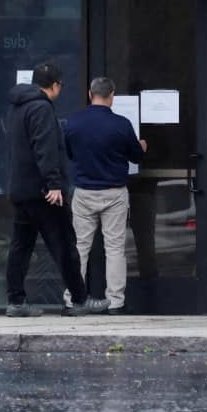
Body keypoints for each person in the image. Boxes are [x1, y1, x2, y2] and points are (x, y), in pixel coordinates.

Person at [3, 62, 108, 318]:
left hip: (21, 189)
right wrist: (53, 183)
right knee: (64, 245)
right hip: (44, 192)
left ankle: (16, 301)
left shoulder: (17, 108)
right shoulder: (41, 108)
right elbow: (45, 147)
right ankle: (80, 300)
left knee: (20, 247)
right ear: (55, 85)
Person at [63, 76, 146, 315]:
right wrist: (141, 147)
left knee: (79, 248)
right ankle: (116, 302)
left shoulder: (74, 122)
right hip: (114, 192)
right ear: (112, 95)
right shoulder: (121, 124)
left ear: (90, 94)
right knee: (115, 248)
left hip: (84, 192)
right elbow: (135, 157)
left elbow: (69, 153)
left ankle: (73, 300)